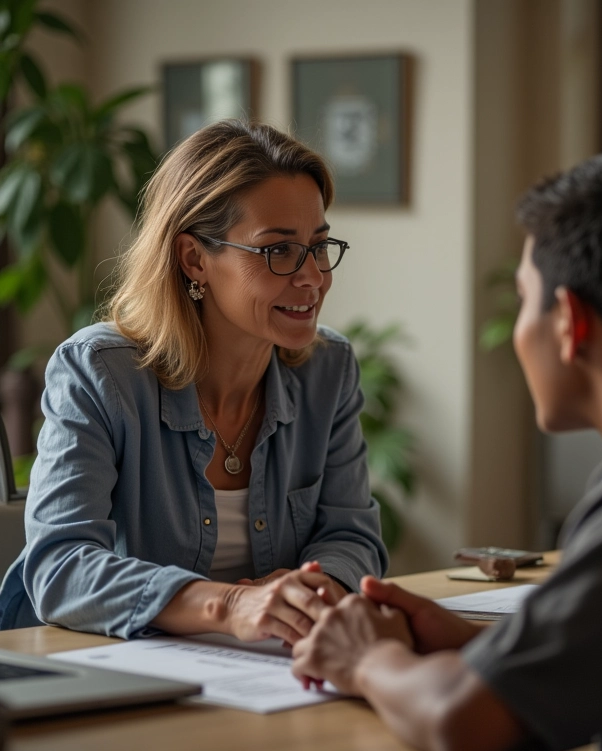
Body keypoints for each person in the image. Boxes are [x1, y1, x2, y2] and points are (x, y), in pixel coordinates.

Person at [291, 148, 602, 751]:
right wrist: (475, 646)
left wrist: (365, 657)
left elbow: (461, 723)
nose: (518, 329)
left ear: (570, 322)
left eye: (524, 300)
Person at [0, 120, 388, 642]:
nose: (313, 277)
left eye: (318, 246)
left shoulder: (328, 370)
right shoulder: (98, 372)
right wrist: (229, 605)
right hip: (99, 667)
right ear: (194, 259)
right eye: (278, 250)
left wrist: (311, 590)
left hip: (265, 670)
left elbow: (352, 536)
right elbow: (60, 567)